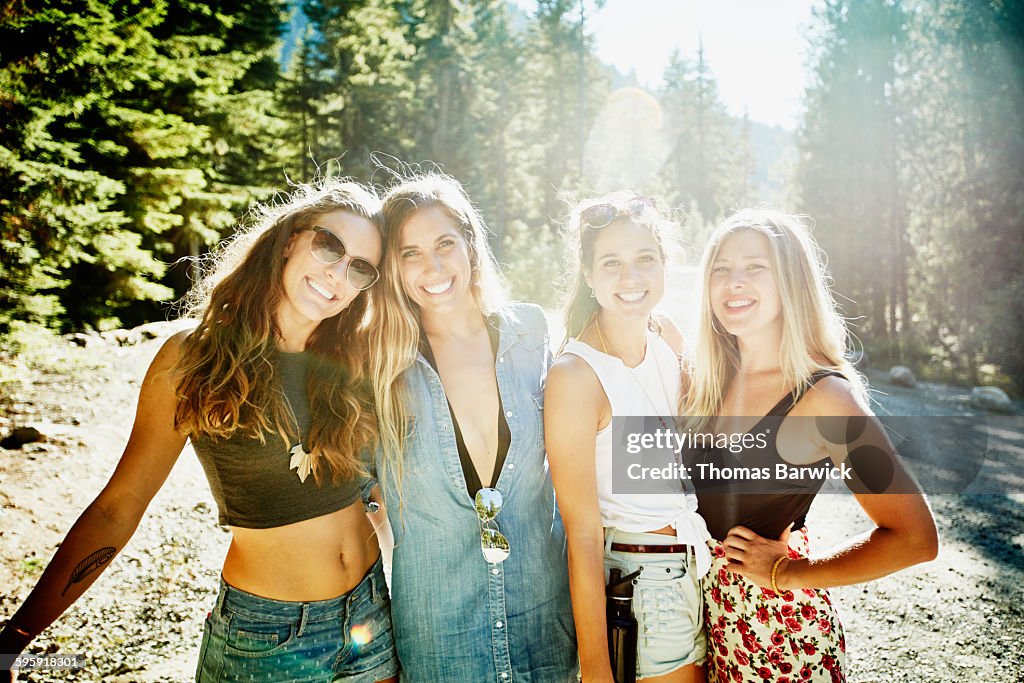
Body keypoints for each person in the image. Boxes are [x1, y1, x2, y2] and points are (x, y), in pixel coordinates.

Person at [0, 180, 399, 683]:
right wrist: (16, 640)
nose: (338, 273)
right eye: (329, 245)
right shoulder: (195, 360)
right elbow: (118, 506)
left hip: (370, 620)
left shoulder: (353, 361)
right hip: (267, 638)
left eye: (360, 267)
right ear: (290, 237)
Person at [685, 208, 938, 683]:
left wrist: (791, 573)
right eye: (721, 269)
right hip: (702, 626)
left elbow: (915, 538)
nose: (733, 282)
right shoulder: (707, 380)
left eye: (754, 267)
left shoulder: (825, 398)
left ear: (791, 282)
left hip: (777, 638)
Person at [368, 172, 577, 682]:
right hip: (439, 634)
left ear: (471, 246)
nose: (433, 267)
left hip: (545, 621)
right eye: (410, 253)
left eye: (445, 244)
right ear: (391, 267)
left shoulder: (530, 334)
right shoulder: (374, 361)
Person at [545, 192, 712, 683]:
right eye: (611, 263)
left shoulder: (668, 338)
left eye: (645, 259)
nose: (631, 277)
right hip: (642, 585)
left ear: (665, 264)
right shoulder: (577, 375)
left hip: (697, 570)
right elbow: (581, 533)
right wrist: (596, 665)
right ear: (588, 274)